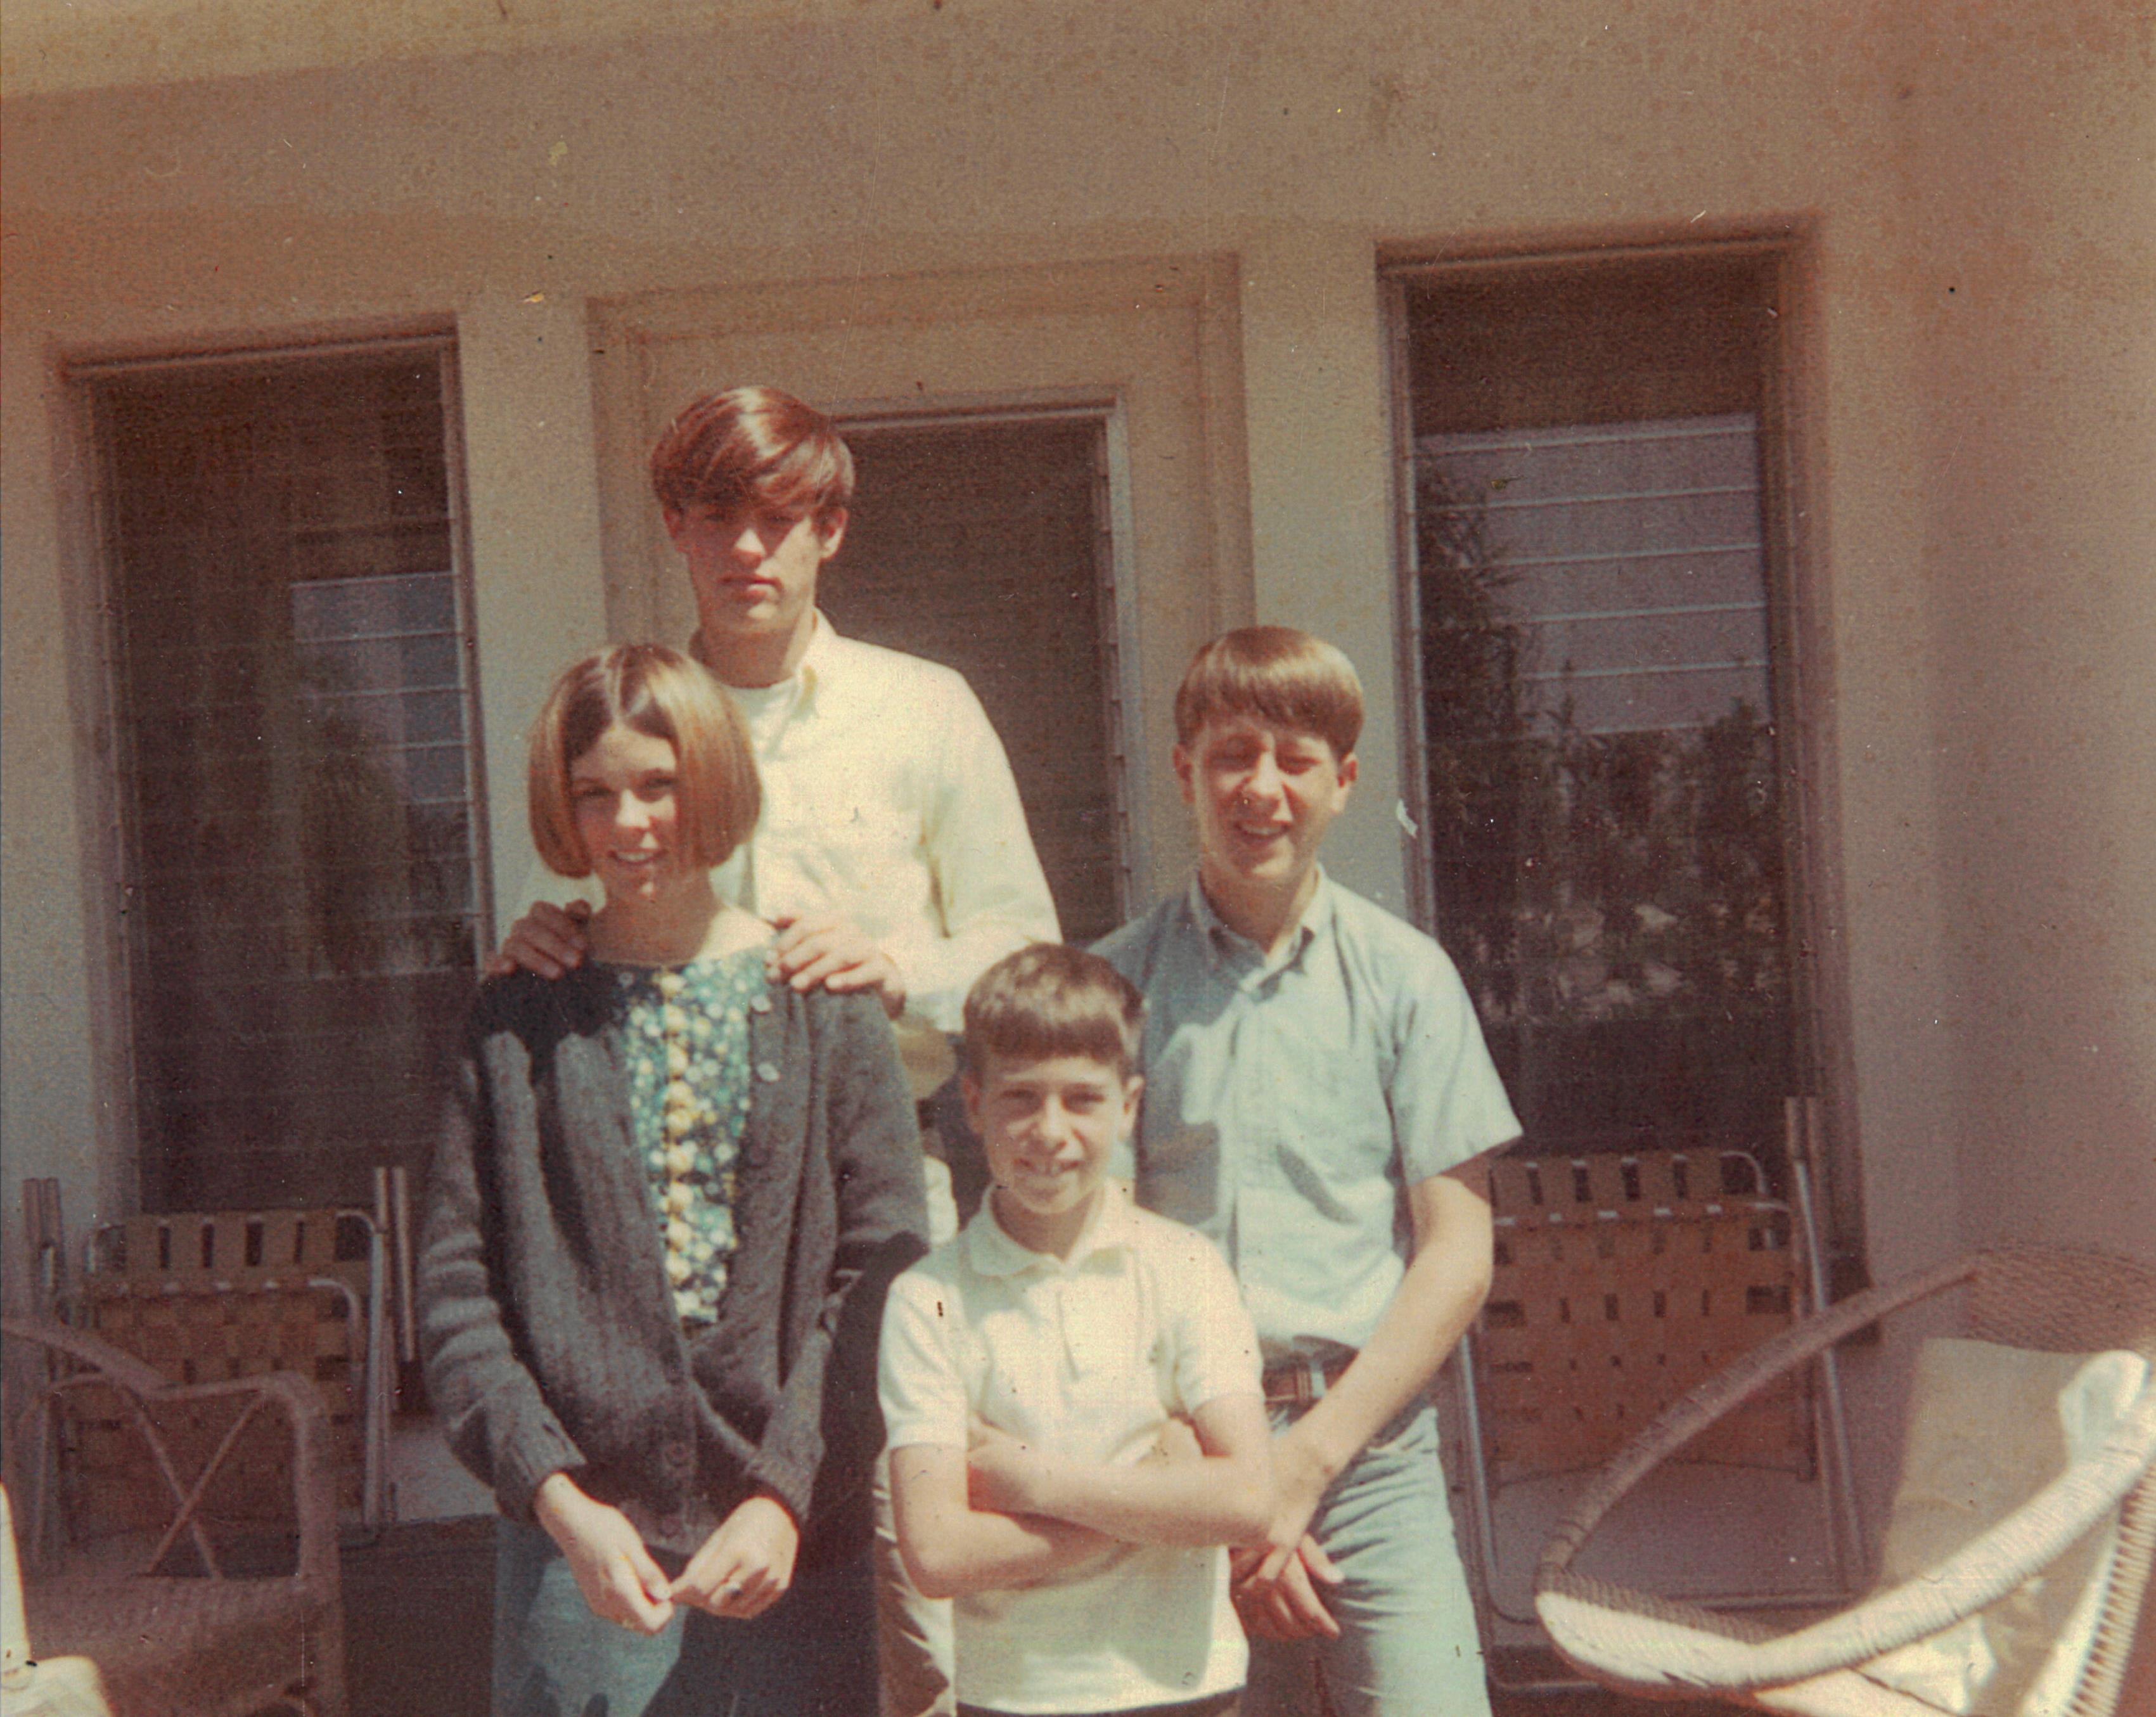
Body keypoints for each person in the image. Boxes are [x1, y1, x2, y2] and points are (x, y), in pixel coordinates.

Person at [490, 383, 1060, 1716]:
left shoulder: (923, 710)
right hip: (657, 1243)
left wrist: (896, 963)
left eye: (781, 518)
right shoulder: (632, 714)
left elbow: (1025, 953)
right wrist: (543, 932)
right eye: (714, 516)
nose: (748, 548)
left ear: (831, 530)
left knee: (899, 1619)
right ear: (674, 531)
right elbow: (575, 917)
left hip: (866, 1214)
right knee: (668, 1643)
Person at [420, 644, 928, 1717]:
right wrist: (561, 1502)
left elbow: (883, 1283)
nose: (630, 822)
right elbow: (460, 1299)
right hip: (582, 1554)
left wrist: (786, 1496)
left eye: (659, 783)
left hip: (793, 1541)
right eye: (593, 793)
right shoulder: (516, 1017)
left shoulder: (823, 1001)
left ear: (715, 778)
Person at [1094, 627, 1522, 1717]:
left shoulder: (1407, 979)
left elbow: (1457, 1255)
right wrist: (1226, 1479)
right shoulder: (1111, 989)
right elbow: (1095, 1260)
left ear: (1343, 781)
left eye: (1294, 761)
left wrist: (1301, 1470)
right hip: (1175, 1452)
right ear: (1183, 771)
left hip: (1367, 1449)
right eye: (1231, 755)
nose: (1262, 788)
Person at [880, 943, 1273, 1717]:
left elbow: (1251, 1499)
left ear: (1129, 1106)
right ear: (972, 1104)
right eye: (1021, 1098)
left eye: (1083, 1099)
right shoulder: (928, 1299)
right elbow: (938, 1551)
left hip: (1186, 1687)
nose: (1050, 1130)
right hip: (1018, 1698)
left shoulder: (1185, 1267)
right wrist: (1157, 1497)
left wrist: (1038, 1484)